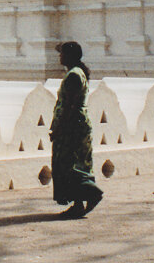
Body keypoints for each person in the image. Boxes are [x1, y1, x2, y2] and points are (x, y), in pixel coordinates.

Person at [49, 41, 103, 219]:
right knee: (75, 164)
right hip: (77, 124)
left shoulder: (73, 75)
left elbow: (70, 107)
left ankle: (88, 196)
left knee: (70, 164)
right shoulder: (78, 73)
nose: (60, 57)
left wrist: (59, 128)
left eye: (62, 53)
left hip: (72, 126)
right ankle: (78, 203)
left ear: (70, 56)